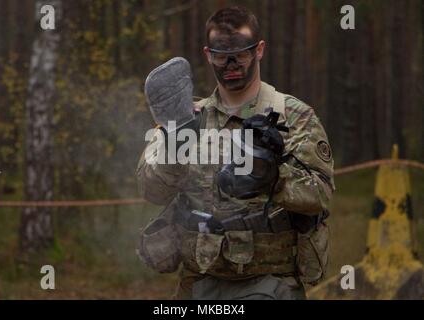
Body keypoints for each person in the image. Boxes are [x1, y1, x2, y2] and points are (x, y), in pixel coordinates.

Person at [137, 6, 334, 300]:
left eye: (240, 54)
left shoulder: (293, 116)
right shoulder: (188, 118)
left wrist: (272, 178)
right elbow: (151, 190)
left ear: (259, 50)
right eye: (221, 55)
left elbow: (321, 194)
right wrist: (176, 143)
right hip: (199, 284)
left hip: (270, 281)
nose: (231, 64)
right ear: (207, 54)